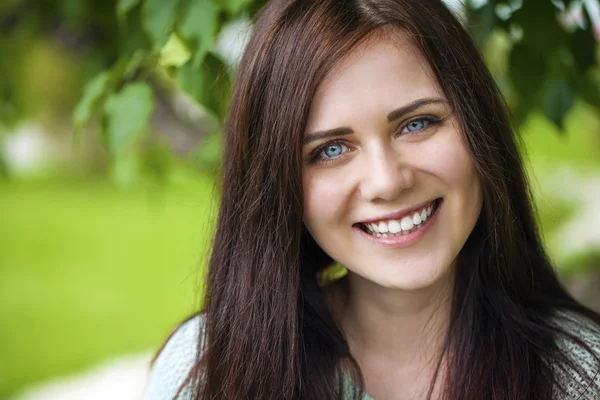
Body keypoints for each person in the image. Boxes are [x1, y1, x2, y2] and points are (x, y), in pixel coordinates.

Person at [145, 0, 600, 399]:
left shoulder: (580, 378)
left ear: (479, 126)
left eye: (417, 123)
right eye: (330, 150)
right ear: (278, 186)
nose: (386, 182)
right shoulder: (207, 373)